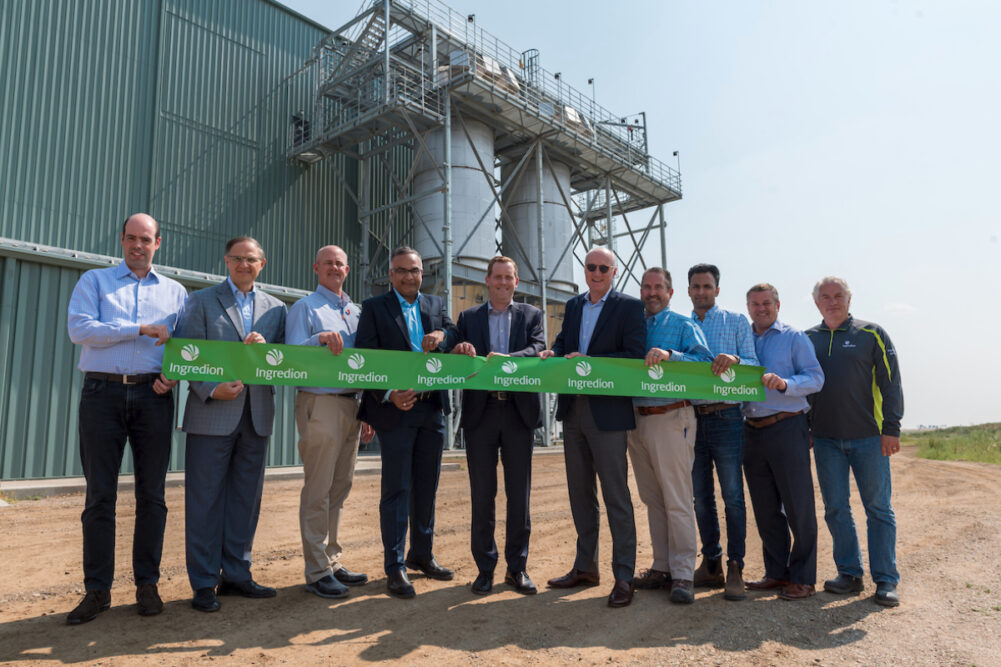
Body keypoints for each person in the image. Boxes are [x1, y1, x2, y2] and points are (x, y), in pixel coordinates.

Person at [65, 213, 187, 624]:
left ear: (158, 243)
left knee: (152, 495)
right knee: (100, 496)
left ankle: (147, 584)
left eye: (146, 239)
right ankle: (96, 591)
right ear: (122, 240)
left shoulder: (176, 293)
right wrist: (139, 328)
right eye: (131, 238)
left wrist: (173, 376)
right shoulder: (94, 282)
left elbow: (183, 346)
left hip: (154, 396)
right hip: (102, 393)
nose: (138, 245)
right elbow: (81, 330)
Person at [175, 236, 287, 613]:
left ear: (263, 263)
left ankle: (238, 573)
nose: (244, 264)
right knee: (204, 501)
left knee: (245, 500)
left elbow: (284, 360)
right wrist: (211, 389)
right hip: (211, 414)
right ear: (226, 260)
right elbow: (186, 356)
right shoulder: (201, 301)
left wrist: (266, 348)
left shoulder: (276, 310)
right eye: (237, 258)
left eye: (251, 259)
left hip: (256, 415)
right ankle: (205, 582)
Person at [540, 247, 646, 608]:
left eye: (603, 267)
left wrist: (591, 363)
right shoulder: (573, 307)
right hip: (574, 409)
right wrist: (553, 354)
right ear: (584, 270)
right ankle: (585, 567)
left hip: (609, 412)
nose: (596, 272)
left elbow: (634, 356)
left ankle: (624, 576)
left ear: (614, 271)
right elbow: (562, 344)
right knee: (580, 494)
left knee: (616, 496)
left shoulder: (629, 307)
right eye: (591, 267)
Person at [355, 246, 459, 599]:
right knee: (397, 489)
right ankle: (395, 566)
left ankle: (422, 554)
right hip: (396, 410)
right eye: (401, 270)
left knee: (426, 486)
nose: (408, 276)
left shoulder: (434, 305)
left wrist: (443, 336)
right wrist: (388, 394)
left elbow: (453, 331)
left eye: (414, 270)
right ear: (390, 275)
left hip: (431, 409)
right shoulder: (373, 308)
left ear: (421, 274)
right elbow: (365, 360)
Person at [806, 277, 904, 607]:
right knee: (836, 508)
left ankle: (886, 580)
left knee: (878, 509)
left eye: (838, 295)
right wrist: (805, 428)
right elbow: (805, 390)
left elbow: (891, 383)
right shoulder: (807, 339)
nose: (832, 301)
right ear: (816, 301)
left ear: (849, 299)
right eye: (825, 296)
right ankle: (849, 573)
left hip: (870, 439)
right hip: (825, 440)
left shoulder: (872, 333)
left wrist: (892, 427)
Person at [451, 256, 545, 596]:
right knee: (482, 494)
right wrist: (458, 346)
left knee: (519, 495)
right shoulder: (469, 317)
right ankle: (485, 568)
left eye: (509, 277)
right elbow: (454, 346)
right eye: (498, 277)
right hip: (482, 413)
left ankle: (517, 569)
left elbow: (538, 348)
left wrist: (511, 360)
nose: (503, 283)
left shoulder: (532, 315)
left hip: (519, 414)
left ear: (516, 282)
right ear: (487, 281)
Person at [286, 245, 373, 599]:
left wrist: (367, 408)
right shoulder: (305, 308)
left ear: (347, 270)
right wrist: (318, 339)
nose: (334, 268)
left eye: (339, 263)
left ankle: (332, 559)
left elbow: (367, 362)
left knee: (340, 487)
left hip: (353, 404)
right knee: (319, 489)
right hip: (320, 402)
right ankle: (317, 570)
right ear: (315, 267)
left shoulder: (356, 311)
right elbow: (290, 356)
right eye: (328, 263)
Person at [627, 268, 713, 605]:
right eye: (646, 287)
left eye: (658, 288)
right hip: (636, 419)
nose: (651, 293)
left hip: (671, 415)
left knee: (677, 500)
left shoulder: (681, 324)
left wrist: (671, 355)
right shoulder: (635, 323)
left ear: (670, 292)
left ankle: (682, 575)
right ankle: (661, 566)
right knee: (652, 499)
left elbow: (705, 361)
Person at [742, 283, 824, 600]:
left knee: (798, 506)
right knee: (765, 508)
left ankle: (803, 577)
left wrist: (786, 383)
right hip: (751, 430)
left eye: (766, 303)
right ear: (747, 307)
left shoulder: (794, 337)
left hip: (787, 428)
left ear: (778, 304)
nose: (761, 308)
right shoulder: (742, 339)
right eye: (754, 304)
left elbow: (816, 377)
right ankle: (776, 573)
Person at [687, 263, 759, 600]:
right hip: (690, 418)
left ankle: (735, 567)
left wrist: (734, 359)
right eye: (696, 286)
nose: (701, 292)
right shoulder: (682, 325)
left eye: (707, 286)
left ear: (717, 289)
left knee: (732, 495)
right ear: (688, 291)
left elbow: (755, 364)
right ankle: (711, 563)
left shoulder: (735, 322)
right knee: (700, 498)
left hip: (728, 417)